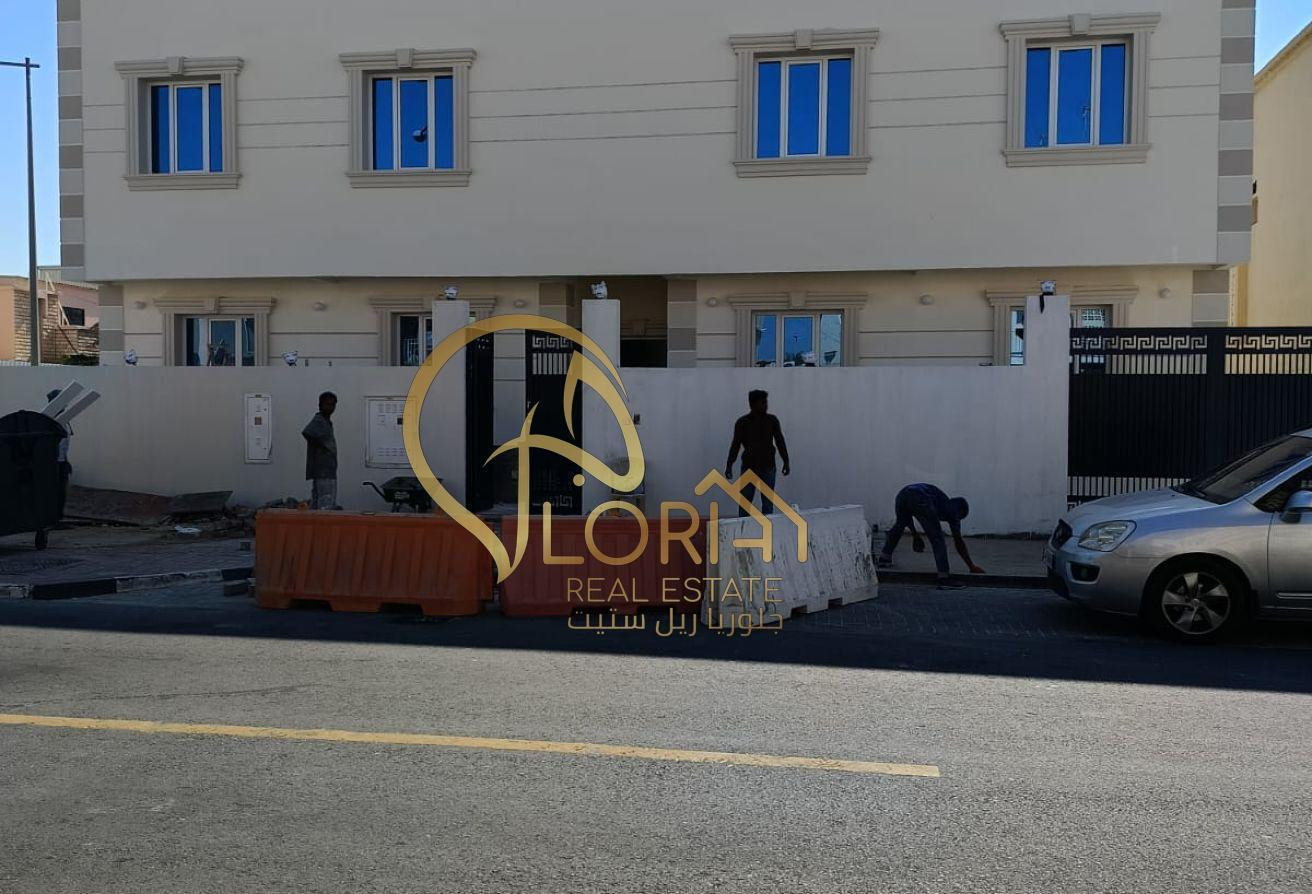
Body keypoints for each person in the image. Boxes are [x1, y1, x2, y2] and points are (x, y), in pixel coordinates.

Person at [875, 483, 984, 589]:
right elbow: (958, 542)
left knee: (900, 524)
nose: (956, 520)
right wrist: (971, 566)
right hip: (920, 496)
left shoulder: (943, 501)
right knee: (938, 538)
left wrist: (915, 536)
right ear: (959, 513)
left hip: (903, 494)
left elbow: (906, 517)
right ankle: (944, 578)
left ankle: (885, 558)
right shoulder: (953, 513)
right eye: (959, 518)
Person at [724, 389, 790, 516]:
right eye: (763, 402)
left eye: (766, 402)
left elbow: (780, 441)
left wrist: (786, 461)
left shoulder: (772, 421)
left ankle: (767, 527)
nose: (766, 405)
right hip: (749, 467)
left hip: (768, 466)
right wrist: (729, 465)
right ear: (753, 404)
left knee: (767, 503)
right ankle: (743, 527)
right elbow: (735, 445)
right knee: (745, 503)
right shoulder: (742, 423)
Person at [302, 391, 338, 510]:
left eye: (333, 405)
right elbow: (307, 432)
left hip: (326, 470)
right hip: (323, 470)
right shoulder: (319, 420)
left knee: (318, 503)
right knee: (326, 503)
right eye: (327, 404)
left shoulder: (326, 421)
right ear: (320, 405)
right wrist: (321, 447)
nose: (330, 407)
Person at [45, 389, 72, 521]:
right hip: (52, 463)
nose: (66, 404)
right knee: (55, 491)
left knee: (61, 490)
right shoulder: (49, 420)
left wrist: (66, 461)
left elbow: (63, 443)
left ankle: (58, 518)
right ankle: (52, 519)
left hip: (61, 461)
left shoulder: (64, 419)